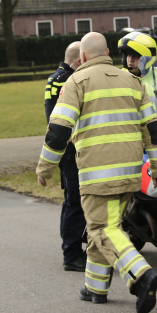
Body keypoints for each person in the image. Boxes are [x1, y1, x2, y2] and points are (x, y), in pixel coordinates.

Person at [36, 32, 157, 313]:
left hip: (98, 175)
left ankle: (141, 275)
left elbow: (58, 131)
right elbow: (153, 130)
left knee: (102, 228)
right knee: (107, 225)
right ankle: (95, 288)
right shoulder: (133, 82)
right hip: (130, 172)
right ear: (107, 52)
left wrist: (45, 167)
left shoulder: (76, 82)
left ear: (82, 57)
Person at [44, 41, 87, 271]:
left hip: (63, 149)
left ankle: (70, 249)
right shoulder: (68, 80)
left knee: (71, 200)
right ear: (79, 60)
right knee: (76, 203)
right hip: (71, 150)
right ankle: (71, 254)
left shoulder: (55, 77)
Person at [118, 31, 157, 96]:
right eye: (128, 55)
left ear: (147, 59)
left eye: (135, 56)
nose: (130, 60)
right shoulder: (118, 78)